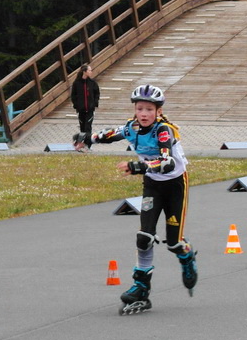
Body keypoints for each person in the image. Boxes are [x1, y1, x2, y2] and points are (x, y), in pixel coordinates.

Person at [79, 84, 198, 314]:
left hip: (175, 185)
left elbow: (167, 163)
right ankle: (141, 288)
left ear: (158, 112)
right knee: (144, 237)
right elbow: (111, 134)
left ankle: (187, 255)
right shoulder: (131, 127)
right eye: (140, 108)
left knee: (174, 243)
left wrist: (138, 166)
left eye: (149, 110)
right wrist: (88, 138)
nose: (144, 114)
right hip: (153, 185)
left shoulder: (164, 131)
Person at [70, 64, 100, 152]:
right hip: (81, 110)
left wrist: (94, 104)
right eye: (89, 70)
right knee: (82, 128)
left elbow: (97, 93)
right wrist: (76, 105)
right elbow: (73, 95)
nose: (91, 72)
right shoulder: (76, 83)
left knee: (88, 127)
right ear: (84, 72)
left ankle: (88, 145)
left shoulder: (92, 83)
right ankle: (81, 144)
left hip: (90, 110)